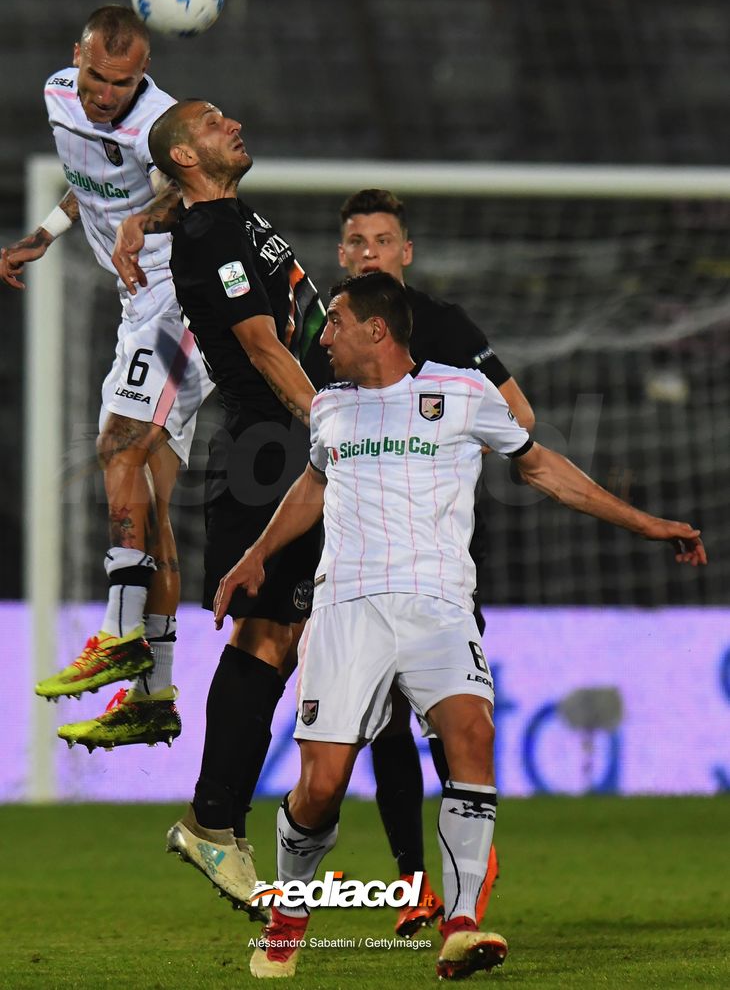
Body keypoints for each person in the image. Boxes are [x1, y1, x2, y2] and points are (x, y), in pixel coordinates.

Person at [214, 271, 705, 980]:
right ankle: (289, 915)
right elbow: (315, 484)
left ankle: (464, 922)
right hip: (348, 608)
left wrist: (648, 523)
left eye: (339, 322)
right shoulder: (331, 410)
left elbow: (544, 470)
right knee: (320, 786)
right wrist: (257, 554)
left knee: (472, 734)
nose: (326, 336)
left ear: (377, 331)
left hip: (439, 605)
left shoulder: (463, 394)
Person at [133, 98, 330, 917]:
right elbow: (260, 343)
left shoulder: (220, 214)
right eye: (212, 124)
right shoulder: (210, 233)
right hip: (269, 444)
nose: (234, 124)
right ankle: (216, 820)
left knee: (280, 636)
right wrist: (338, 424)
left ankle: (218, 819)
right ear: (185, 156)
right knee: (270, 632)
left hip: (283, 438)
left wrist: (141, 213)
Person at [0, 6, 212, 750]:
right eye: (97, 76)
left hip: (181, 300)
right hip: (138, 305)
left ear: (142, 75)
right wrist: (41, 238)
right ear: (76, 60)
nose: (105, 95)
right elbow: (89, 183)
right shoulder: (60, 97)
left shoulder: (162, 123)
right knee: (151, 496)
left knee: (117, 443)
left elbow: (193, 194)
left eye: (122, 83)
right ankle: (153, 696)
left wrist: (147, 219)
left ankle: (120, 633)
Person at [337, 188, 535, 936]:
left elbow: (521, 417)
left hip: (433, 566)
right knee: (380, 724)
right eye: (355, 241)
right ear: (340, 252)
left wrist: (448, 445)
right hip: (355, 561)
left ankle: (463, 874)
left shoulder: (443, 326)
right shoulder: (332, 332)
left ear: (405, 253)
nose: (367, 253)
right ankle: (412, 880)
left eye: (381, 241)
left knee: (449, 723)